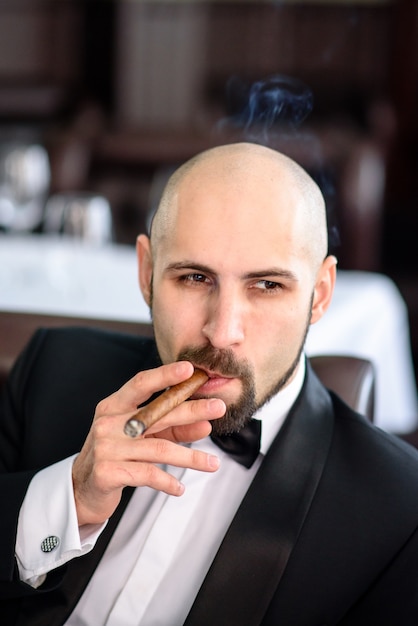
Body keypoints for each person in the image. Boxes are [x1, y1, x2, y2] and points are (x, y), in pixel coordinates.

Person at [1, 142, 418, 626]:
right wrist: (69, 498)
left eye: (267, 286)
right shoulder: (54, 369)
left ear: (320, 294)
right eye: (195, 277)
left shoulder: (400, 510)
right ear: (147, 272)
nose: (222, 332)